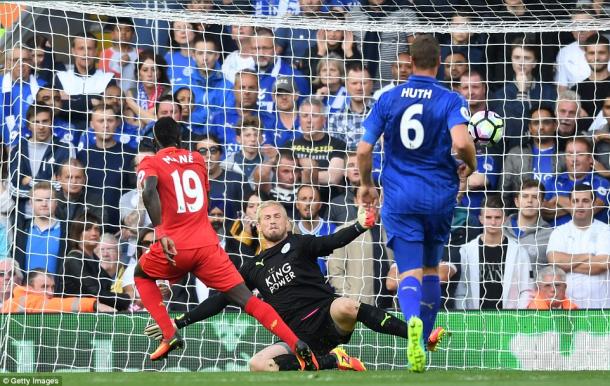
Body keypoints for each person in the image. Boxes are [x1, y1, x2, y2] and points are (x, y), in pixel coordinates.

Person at [144, 200, 422, 373]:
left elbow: (332, 242)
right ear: (257, 224)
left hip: (328, 317)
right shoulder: (251, 268)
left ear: (288, 223)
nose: (273, 220)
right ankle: (333, 361)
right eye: (267, 217)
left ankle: (414, 337)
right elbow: (220, 300)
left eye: (278, 216)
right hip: (296, 337)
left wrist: (360, 226)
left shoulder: (300, 243)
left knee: (347, 305)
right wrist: (178, 322)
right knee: (258, 366)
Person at [134, 117, 319, 367]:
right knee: (248, 300)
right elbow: (204, 198)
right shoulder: (198, 160)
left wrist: (161, 231)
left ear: (155, 141)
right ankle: (296, 343)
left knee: (141, 274)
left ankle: (169, 333)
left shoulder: (150, 161)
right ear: (180, 139)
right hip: (208, 245)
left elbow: (148, 190)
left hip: (175, 244)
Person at [356, 34, 477, 372]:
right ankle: (422, 341)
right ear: (439, 63)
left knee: (407, 270)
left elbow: (364, 150)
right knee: (430, 269)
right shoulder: (451, 99)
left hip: (400, 194)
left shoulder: (388, 98)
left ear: (409, 62)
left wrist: (367, 184)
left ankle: (412, 322)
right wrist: (473, 163)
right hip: (438, 194)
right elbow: (461, 142)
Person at [454, 195, 533, 310]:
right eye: (488, 217)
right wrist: (466, 320)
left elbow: (526, 289)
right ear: (481, 219)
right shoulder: (466, 251)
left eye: (497, 217)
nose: (493, 222)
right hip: (474, 321)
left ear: (504, 219)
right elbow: (460, 291)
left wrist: (517, 319)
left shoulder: (519, 252)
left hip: (509, 321)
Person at [546, 185, 610, 309]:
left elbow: (603, 264)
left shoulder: (606, 231)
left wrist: (567, 264)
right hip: (566, 310)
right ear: (570, 204)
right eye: (576, 201)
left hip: (601, 308)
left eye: (585, 201)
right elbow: (555, 262)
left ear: (593, 203)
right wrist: (588, 256)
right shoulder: (559, 232)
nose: (580, 205)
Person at [61, 212, 132, 311]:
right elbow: (96, 292)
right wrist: (129, 299)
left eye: (96, 229)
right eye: (88, 229)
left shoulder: (93, 258)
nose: (94, 233)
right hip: (77, 318)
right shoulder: (74, 260)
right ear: (77, 233)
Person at [1, 268, 115, 313]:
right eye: (44, 287)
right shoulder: (21, 301)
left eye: (52, 287)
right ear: (28, 288)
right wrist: (93, 304)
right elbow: (56, 305)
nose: (50, 292)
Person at [13, 181, 67, 275]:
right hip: (25, 288)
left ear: (56, 202)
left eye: (49, 199)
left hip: (56, 288)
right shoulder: (20, 230)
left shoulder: (67, 231)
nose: (44, 204)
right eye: (39, 200)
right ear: (30, 202)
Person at [504, 180, 553, 272]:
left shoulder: (550, 235)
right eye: (525, 196)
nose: (529, 201)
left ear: (542, 203)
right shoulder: (500, 230)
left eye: (535, 197)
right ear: (516, 202)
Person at [294, 185, 335, 274]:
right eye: (303, 199)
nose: (308, 203)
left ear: (320, 205)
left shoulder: (332, 230)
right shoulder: (292, 234)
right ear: (297, 204)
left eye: (312, 199)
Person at [98, 17, 138, 92]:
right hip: (114, 99)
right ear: (112, 34)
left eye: (127, 30)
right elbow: (103, 81)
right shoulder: (106, 53)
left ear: (133, 34)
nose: (123, 33)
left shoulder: (139, 53)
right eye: (119, 30)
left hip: (135, 98)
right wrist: (119, 65)